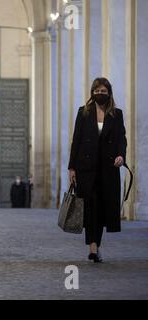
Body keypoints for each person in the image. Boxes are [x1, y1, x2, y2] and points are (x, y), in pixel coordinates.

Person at [68, 77, 127, 263]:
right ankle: (93, 248)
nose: (99, 94)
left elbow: (121, 138)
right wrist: (71, 167)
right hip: (86, 168)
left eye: (103, 91)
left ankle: (96, 246)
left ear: (109, 93)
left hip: (108, 168)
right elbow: (76, 140)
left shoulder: (116, 114)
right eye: (97, 91)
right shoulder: (83, 112)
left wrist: (121, 155)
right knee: (90, 207)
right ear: (92, 92)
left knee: (102, 208)